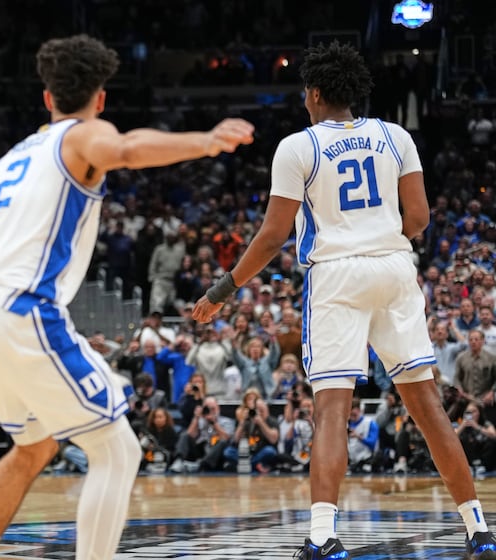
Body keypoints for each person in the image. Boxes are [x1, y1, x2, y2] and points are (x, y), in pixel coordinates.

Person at [0, 34, 253, 560]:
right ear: (100, 99)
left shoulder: (14, 157)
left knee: (33, 447)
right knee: (117, 449)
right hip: (23, 308)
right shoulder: (85, 135)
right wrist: (205, 140)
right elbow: (126, 151)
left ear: (47, 98)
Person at [192, 41, 496, 560]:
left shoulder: (298, 146)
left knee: (332, 409)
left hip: (336, 275)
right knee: (426, 405)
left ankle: (322, 537)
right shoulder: (395, 136)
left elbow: (271, 237)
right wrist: (378, 238)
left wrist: (223, 290)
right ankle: (479, 529)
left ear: (313, 94)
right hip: (395, 267)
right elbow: (419, 219)